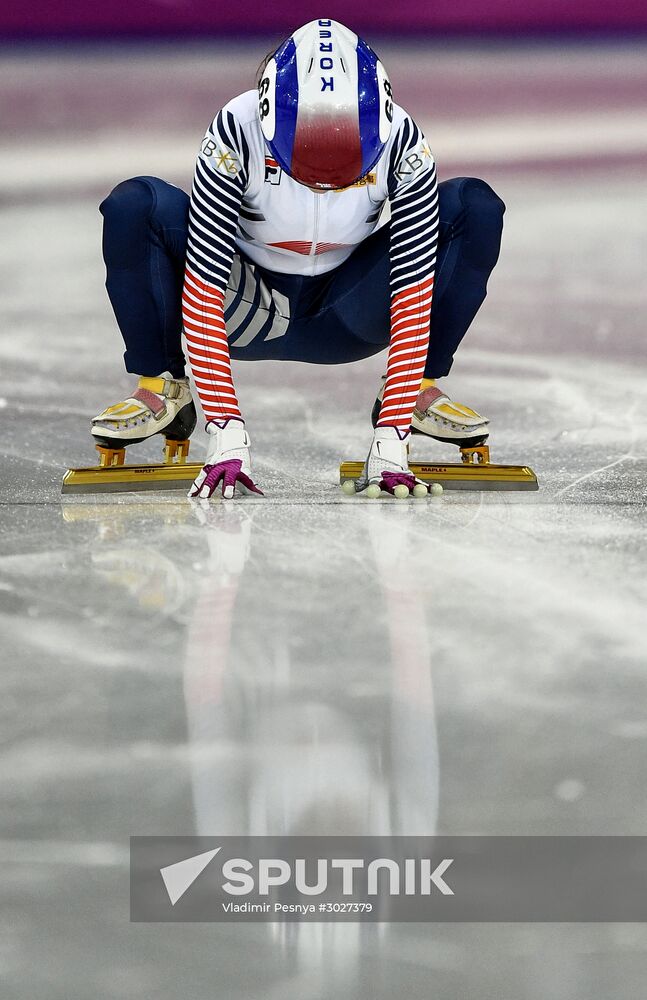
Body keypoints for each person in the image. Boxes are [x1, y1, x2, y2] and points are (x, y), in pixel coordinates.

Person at [91, 18, 505, 499]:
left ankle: (416, 391)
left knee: (473, 206)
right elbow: (204, 288)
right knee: (135, 205)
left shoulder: (403, 140)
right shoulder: (235, 127)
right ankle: (163, 384)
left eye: (346, 167)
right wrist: (225, 432)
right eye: (304, 164)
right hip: (243, 306)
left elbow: (413, 293)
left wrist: (391, 440)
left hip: (350, 314)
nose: (324, 182)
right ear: (268, 118)